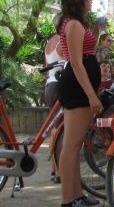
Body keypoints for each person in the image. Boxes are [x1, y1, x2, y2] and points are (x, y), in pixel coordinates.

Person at [56, 0, 102, 207]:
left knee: (74, 145)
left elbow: (74, 54)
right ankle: (69, 199)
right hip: (77, 87)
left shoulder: (75, 23)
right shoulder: (73, 24)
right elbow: (75, 62)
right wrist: (92, 96)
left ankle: (76, 196)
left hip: (78, 85)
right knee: (71, 145)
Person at [44, 22, 65, 184]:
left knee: (55, 130)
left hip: (49, 85)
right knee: (61, 132)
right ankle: (59, 171)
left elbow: (47, 67)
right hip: (60, 86)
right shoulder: (62, 40)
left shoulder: (49, 42)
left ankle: (54, 169)